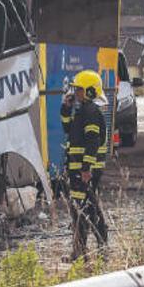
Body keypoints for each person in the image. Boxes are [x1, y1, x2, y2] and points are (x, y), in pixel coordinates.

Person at [61, 70, 108, 261]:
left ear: (89, 91)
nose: (76, 93)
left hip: (85, 170)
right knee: (81, 207)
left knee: (85, 208)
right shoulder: (82, 110)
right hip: (79, 169)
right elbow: (69, 129)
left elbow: (93, 141)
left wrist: (87, 168)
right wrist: (66, 109)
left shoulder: (90, 112)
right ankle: (83, 250)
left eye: (79, 90)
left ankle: (95, 248)